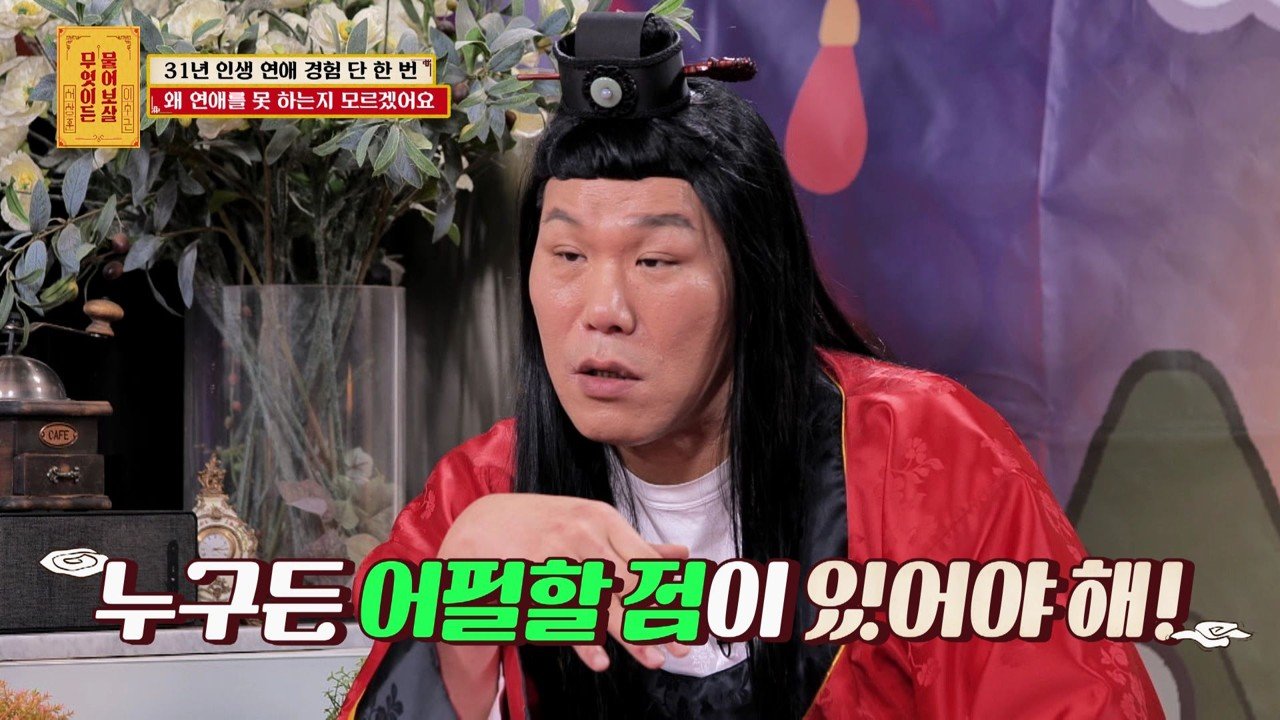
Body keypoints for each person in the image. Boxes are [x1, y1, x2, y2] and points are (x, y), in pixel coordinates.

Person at [340, 12, 1163, 720]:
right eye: (567, 256)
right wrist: (458, 612)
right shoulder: (480, 497)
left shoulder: (920, 455)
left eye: (656, 261)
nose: (603, 308)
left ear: (755, 278)